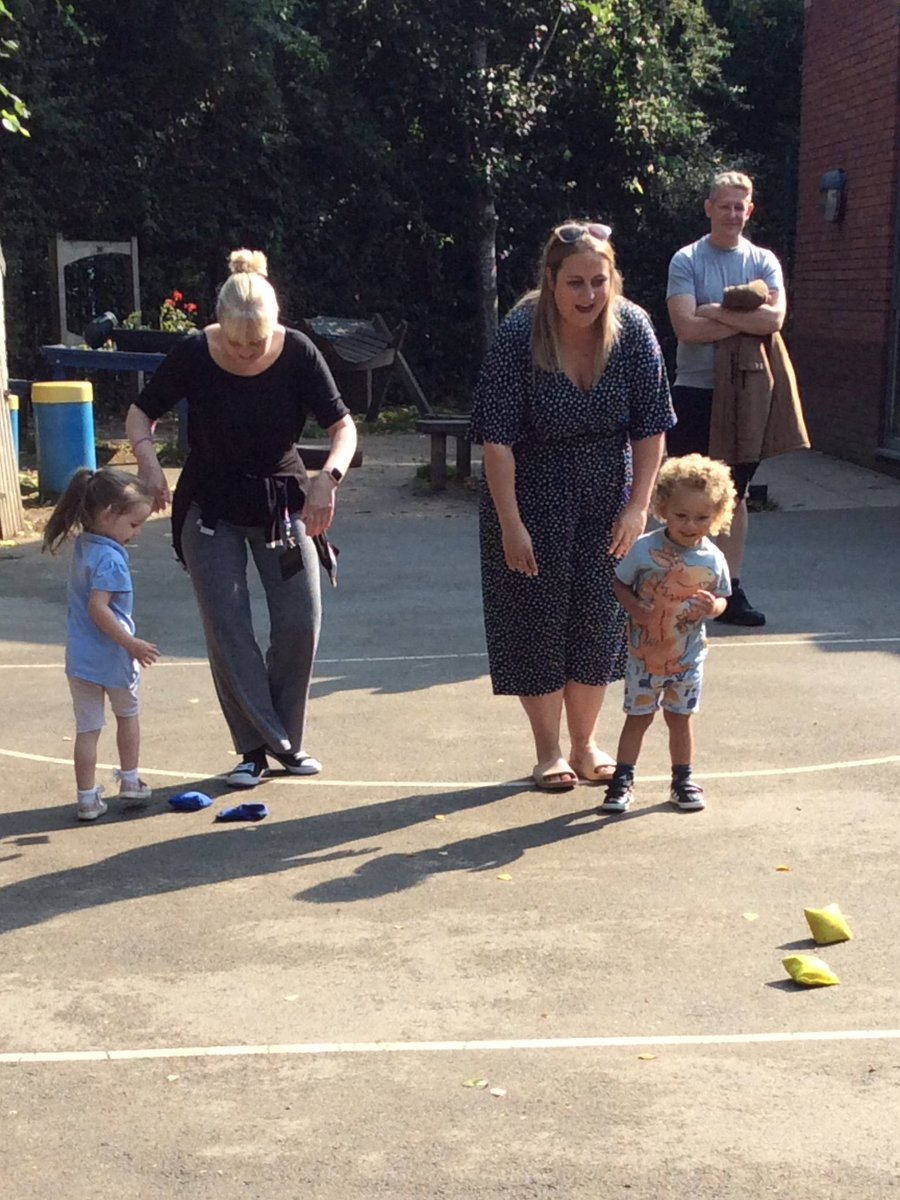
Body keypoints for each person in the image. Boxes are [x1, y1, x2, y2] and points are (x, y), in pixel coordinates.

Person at [125, 248, 357, 788]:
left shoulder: (298, 351)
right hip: (210, 508)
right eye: (237, 343)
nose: (249, 353)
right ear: (219, 328)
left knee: (301, 623)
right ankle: (257, 749)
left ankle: (284, 739)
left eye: (258, 342)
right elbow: (142, 411)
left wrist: (329, 478)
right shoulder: (193, 353)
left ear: (275, 327)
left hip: (283, 505)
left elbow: (342, 427)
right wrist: (149, 463)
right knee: (229, 630)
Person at [469, 221, 675, 791]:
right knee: (536, 619)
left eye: (598, 282)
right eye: (575, 283)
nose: (588, 296)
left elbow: (652, 425)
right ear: (551, 281)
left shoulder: (633, 328)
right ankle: (548, 751)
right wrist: (511, 524)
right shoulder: (520, 332)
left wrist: (638, 507)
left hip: (609, 492)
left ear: (614, 281)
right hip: (531, 492)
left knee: (599, 619)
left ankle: (586, 746)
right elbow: (496, 439)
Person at [666, 170, 785, 627]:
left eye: (741, 206)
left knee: (735, 497)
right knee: (685, 492)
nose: (733, 213)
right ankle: (677, 587)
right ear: (709, 207)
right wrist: (740, 317)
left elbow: (774, 319)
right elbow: (686, 329)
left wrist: (715, 310)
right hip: (695, 391)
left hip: (748, 394)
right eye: (725, 205)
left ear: (749, 210)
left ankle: (729, 591)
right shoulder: (687, 260)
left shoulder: (763, 261)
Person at [600, 454, 735, 814]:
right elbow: (618, 583)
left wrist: (713, 608)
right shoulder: (645, 548)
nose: (690, 525)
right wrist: (633, 607)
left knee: (680, 718)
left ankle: (682, 779)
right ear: (662, 508)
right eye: (681, 516)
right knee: (638, 717)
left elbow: (722, 598)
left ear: (718, 514)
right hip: (644, 657)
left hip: (688, 658)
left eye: (702, 517)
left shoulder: (713, 558)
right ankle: (622, 780)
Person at [42, 467, 160, 821]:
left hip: (81, 659)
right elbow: (99, 608)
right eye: (134, 524)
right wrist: (131, 643)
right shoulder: (111, 559)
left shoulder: (84, 545)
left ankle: (87, 799)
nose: (136, 533)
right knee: (127, 716)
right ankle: (130, 779)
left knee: (88, 728)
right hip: (113, 656)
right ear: (109, 514)